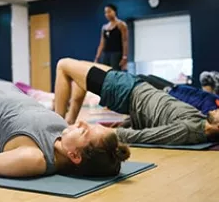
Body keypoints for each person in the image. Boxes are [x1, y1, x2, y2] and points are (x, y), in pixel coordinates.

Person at [0, 55, 130, 178]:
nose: (82, 122)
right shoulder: (63, 137)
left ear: (74, 155)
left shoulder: (33, 159)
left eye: (84, 131)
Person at [54, 58, 219, 145]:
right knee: (79, 73)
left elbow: (147, 136)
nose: (217, 109)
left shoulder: (191, 130)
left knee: (63, 65)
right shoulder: (199, 121)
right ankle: (67, 122)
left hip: (126, 90)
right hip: (133, 86)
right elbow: (159, 115)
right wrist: (127, 122)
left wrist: (110, 133)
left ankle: (54, 129)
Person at [139, 74, 219, 115]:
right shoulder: (213, 101)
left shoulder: (212, 105)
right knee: (146, 77)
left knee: (141, 79)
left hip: (171, 92)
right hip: (174, 88)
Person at [94, 4, 128, 70]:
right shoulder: (104, 27)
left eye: (109, 11)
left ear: (114, 12)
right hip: (105, 54)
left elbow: (125, 41)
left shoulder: (121, 24)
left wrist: (125, 57)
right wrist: (97, 57)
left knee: (115, 74)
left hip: (116, 53)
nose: (107, 14)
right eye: (105, 12)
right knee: (105, 73)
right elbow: (102, 43)